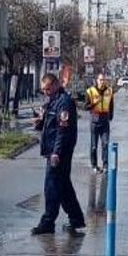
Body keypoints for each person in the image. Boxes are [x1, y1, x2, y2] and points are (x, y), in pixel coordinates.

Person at [32, 73, 86, 236]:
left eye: (47, 89)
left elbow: (62, 131)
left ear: (55, 85)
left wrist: (56, 152)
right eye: (43, 90)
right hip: (52, 150)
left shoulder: (64, 103)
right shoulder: (53, 101)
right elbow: (49, 125)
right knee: (63, 187)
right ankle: (76, 218)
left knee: (52, 187)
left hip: (59, 152)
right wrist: (39, 123)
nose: (45, 92)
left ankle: (48, 222)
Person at [84, 73, 115, 172]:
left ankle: (105, 165)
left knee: (105, 144)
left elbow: (111, 105)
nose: (102, 82)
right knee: (94, 146)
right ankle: (94, 165)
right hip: (95, 121)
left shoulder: (109, 91)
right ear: (97, 80)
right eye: (100, 80)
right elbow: (85, 107)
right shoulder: (90, 91)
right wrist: (94, 103)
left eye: (103, 80)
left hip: (105, 121)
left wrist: (110, 116)